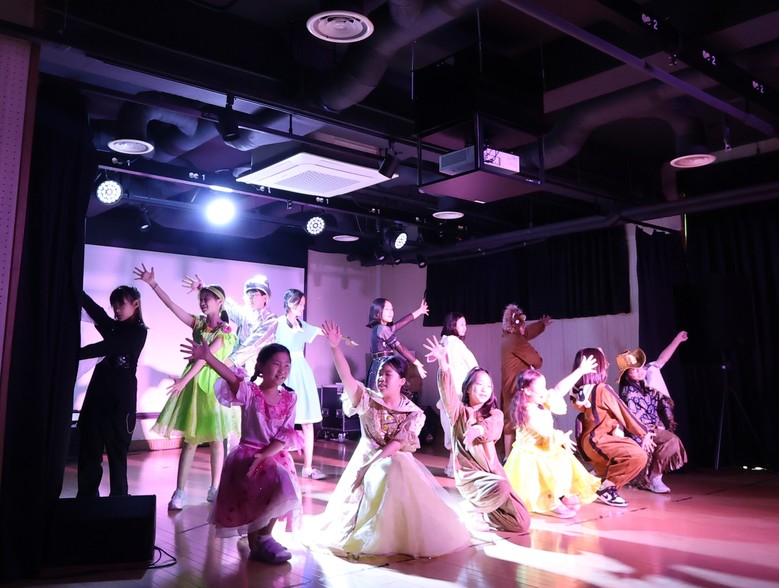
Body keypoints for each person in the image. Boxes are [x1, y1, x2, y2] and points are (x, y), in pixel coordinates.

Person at [315, 321, 471, 558]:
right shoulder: (367, 399)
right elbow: (346, 377)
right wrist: (335, 347)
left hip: (391, 458)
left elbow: (396, 444)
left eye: (387, 374)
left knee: (393, 467)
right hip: (366, 455)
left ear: (402, 381)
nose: (381, 378)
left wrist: (369, 466)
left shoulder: (413, 412)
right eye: (379, 374)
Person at [181, 339, 303, 565]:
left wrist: (264, 456)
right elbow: (230, 377)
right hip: (248, 455)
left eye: (287, 365)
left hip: (274, 455)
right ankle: (258, 541)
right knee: (254, 499)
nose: (282, 370)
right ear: (261, 366)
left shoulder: (290, 398)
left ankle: (264, 538)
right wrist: (208, 357)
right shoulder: (250, 392)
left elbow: (285, 434)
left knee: (282, 487)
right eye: (276, 364)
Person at [134, 264, 239, 509]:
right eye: (201, 299)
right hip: (194, 386)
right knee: (190, 440)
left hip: (214, 387)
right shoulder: (198, 324)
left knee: (217, 440)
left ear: (220, 302)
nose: (202, 303)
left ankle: (215, 488)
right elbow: (172, 306)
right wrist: (153, 284)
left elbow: (205, 359)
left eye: (207, 299)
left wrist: (184, 380)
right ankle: (179, 491)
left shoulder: (226, 331)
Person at [424, 336, 530, 533]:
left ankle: (484, 512)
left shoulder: (495, 414)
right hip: (470, 476)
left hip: (493, 475)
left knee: (521, 521)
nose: (484, 389)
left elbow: (493, 427)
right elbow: (447, 394)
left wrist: (479, 429)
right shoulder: (458, 413)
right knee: (502, 487)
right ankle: (471, 508)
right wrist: (443, 364)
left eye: (488, 386)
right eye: (479, 385)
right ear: (468, 388)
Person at [503, 357, 603, 518]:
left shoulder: (541, 401)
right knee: (543, 471)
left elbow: (559, 389)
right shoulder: (527, 411)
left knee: (562, 463)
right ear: (527, 391)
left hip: (545, 446)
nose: (544, 391)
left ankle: (561, 496)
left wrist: (580, 371)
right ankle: (553, 503)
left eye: (544, 387)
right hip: (529, 454)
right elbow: (545, 431)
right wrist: (561, 438)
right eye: (540, 388)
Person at [77, 286, 148, 497]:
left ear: (135, 304)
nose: (116, 309)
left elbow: (106, 347)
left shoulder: (138, 332)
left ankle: (119, 505)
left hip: (120, 405)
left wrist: (70, 353)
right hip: (97, 401)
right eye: (114, 305)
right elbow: (97, 313)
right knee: (89, 455)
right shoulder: (114, 328)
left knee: (117, 459)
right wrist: (77, 291)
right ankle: (86, 503)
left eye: (121, 304)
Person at [570, 347, 653, 508]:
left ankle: (596, 483)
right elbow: (624, 411)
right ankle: (607, 489)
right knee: (638, 455)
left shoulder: (581, 390)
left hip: (590, 443)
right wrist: (643, 432)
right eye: (604, 360)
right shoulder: (602, 389)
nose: (607, 363)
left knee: (605, 472)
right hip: (599, 440)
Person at [616, 331, 689, 493]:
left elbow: (663, 359)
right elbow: (632, 419)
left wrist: (677, 340)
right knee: (644, 452)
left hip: (655, 428)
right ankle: (640, 479)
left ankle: (655, 477)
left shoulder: (649, 373)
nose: (639, 371)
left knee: (672, 442)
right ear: (627, 375)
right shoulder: (628, 393)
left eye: (640, 367)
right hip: (639, 431)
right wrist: (644, 434)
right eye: (634, 371)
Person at [273, 289, 327, 480]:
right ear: (289, 303)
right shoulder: (278, 323)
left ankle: (308, 467)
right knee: (279, 420)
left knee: (307, 421)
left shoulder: (303, 325)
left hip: (302, 372)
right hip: (284, 370)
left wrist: (343, 339)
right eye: (299, 304)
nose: (302, 308)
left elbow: (322, 332)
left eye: (303, 304)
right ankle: (275, 463)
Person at [184, 273, 276, 374]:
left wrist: (232, 360)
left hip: (256, 366)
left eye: (254, 295)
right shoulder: (246, 314)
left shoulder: (270, 319)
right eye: (248, 295)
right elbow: (223, 303)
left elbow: (254, 343)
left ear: (265, 297)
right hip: (236, 366)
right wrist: (203, 288)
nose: (249, 298)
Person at [500, 304, 551, 456]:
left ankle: (508, 456)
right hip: (515, 387)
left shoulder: (508, 336)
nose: (524, 327)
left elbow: (527, 332)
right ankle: (511, 457)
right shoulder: (515, 340)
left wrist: (541, 324)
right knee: (518, 420)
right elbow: (537, 361)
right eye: (521, 324)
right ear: (516, 326)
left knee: (510, 421)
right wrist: (537, 360)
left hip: (509, 386)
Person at [437, 312, 478, 478]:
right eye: (461, 324)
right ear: (452, 325)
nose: (465, 327)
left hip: (447, 392)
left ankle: (452, 467)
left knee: (452, 430)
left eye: (465, 324)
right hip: (458, 393)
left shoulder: (443, 342)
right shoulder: (457, 344)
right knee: (458, 430)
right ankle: (457, 468)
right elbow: (474, 366)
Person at [366, 297, 428, 391]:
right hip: (384, 367)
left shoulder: (379, 328)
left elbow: (402, 323)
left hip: (379, 366)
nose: (391, 312)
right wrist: (417, 363)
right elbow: (400, 348)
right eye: (387, 309)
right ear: (378, 312)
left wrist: (420, 311)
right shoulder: (382, 329)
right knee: (384, 394)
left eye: (392, 309)